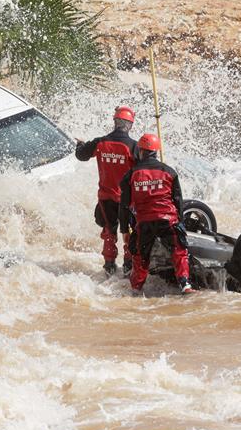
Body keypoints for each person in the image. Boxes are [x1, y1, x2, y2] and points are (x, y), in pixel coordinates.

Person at [119, 133, 195, 294]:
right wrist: (180, 224)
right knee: (179, 251)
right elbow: (178, 201)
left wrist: (125, 230)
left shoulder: (130, 175)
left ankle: (136, 289)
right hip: (168, 220)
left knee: (140, 257)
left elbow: (124, 206)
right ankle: (185, 285)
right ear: (156, 151)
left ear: (140, 151)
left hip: (144, 223)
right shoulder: (169, 172)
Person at [75, 106, 138, 275]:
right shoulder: (133, 146)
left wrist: (80, 144)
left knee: (109, 231)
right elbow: (144, 170)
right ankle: (128, 266)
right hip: (126, 199)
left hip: (105, 197)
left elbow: (81, 155)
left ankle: (109, 266)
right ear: (130, 125)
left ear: (115, 122)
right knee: (128, 232)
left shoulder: (100, 142)